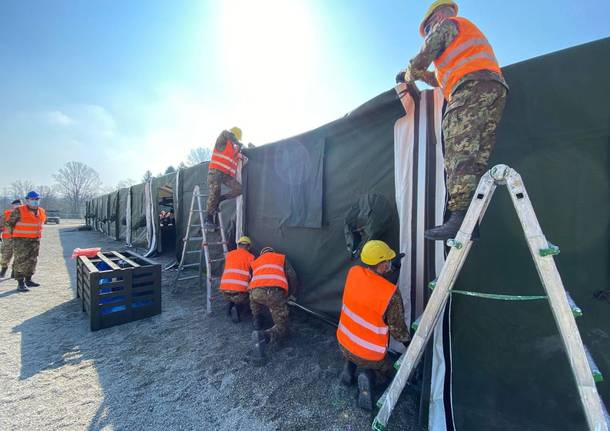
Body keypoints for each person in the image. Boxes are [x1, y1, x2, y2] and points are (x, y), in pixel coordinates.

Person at [396, 0, 508, 240]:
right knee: (476, 156)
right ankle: (470, 221)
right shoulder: (461, 40)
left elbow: (422, 57)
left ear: (436, 18)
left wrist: (408, 74)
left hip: (470, 87)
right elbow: (437, 80)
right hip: (494, 88)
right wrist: (422, 76)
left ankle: (458, 217)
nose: (428, 33)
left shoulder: (447, 26)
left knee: (459, 148)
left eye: (427, 29)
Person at [336, 240, 411, 411]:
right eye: (388, 262)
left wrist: (391, 269)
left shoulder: (353, 273)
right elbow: (398, 330)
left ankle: (349, 369)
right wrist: (410, 345)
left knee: (353, 353)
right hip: (370, 355)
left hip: (344, 343)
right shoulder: (390, 294)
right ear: (383, 265)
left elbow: (371, 286)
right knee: (389, 371)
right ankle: (369, 377)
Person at [250, 247, 298, 361]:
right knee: (283, 326)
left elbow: (253, 281)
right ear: (273, 252)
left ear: (262, 254)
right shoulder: (281, 258)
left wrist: (255, 312)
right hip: (274, 293)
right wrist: (290, 293)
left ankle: (257, 319)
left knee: (253, 297)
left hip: (255, 293)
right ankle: (264, 336)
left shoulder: (256, 262)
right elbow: (292, 277)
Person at [205, 127, 245, 230]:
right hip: (215, 172)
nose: (236, 142)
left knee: (240, 189)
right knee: (215, 190)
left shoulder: (235, 149)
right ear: (233, 136)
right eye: (236, 139)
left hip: (226, 175)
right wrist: (236, 140)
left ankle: (219, 200)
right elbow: (225, 133)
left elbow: (242, 158)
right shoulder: (222, 142)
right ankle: (208, 219)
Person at [6, 191, 46, 292]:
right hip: (20, 240)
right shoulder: (19, 210)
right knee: (21, 260)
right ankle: (20, 283)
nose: (35, 201)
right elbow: (9, 224)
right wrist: (12, 237)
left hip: (35, 240)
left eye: (37, 199)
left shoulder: (41, 211)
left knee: (32, 260)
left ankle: (29, 279)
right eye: (32, 199)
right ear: (27, 200)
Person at [219, 236, 255, 323]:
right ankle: (237, 308)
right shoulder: (251, 257)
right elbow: (253, 274)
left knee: (233, 293)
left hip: (224, 290)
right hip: (239, 292)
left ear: (238, 245)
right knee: (252, 293)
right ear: (248, 247)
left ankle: (230, 305)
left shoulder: (229, 254)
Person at [1, 199, 21, 277]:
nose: (17, 206)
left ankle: (14, 271)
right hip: (7, 238)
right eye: (16, 204)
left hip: (20, 239)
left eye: (19, 205)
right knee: (5, 255)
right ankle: (3, 270)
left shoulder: (24, 214)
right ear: (12, 206)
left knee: (19, 255)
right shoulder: (6, 214)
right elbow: (0, 225)